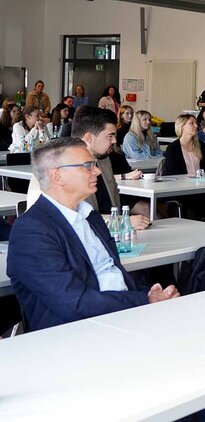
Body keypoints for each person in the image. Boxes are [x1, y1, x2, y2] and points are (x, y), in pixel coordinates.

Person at [7, 138, 179, 332]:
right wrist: (144, 300)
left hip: (121, 316)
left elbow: (114, 272)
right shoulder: (32, 231)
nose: (97, 171)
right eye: (87, 166)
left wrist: (150, 295)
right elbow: (73, 303)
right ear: (57, 176)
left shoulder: (91, 216)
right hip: (74, 334)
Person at [26, 107, 150, 228]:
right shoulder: (60, 167)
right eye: (110, 136)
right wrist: (121, 222)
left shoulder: (104, 160)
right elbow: (71, 219)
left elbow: (114, 201)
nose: (114, 141)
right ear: (89, 138)